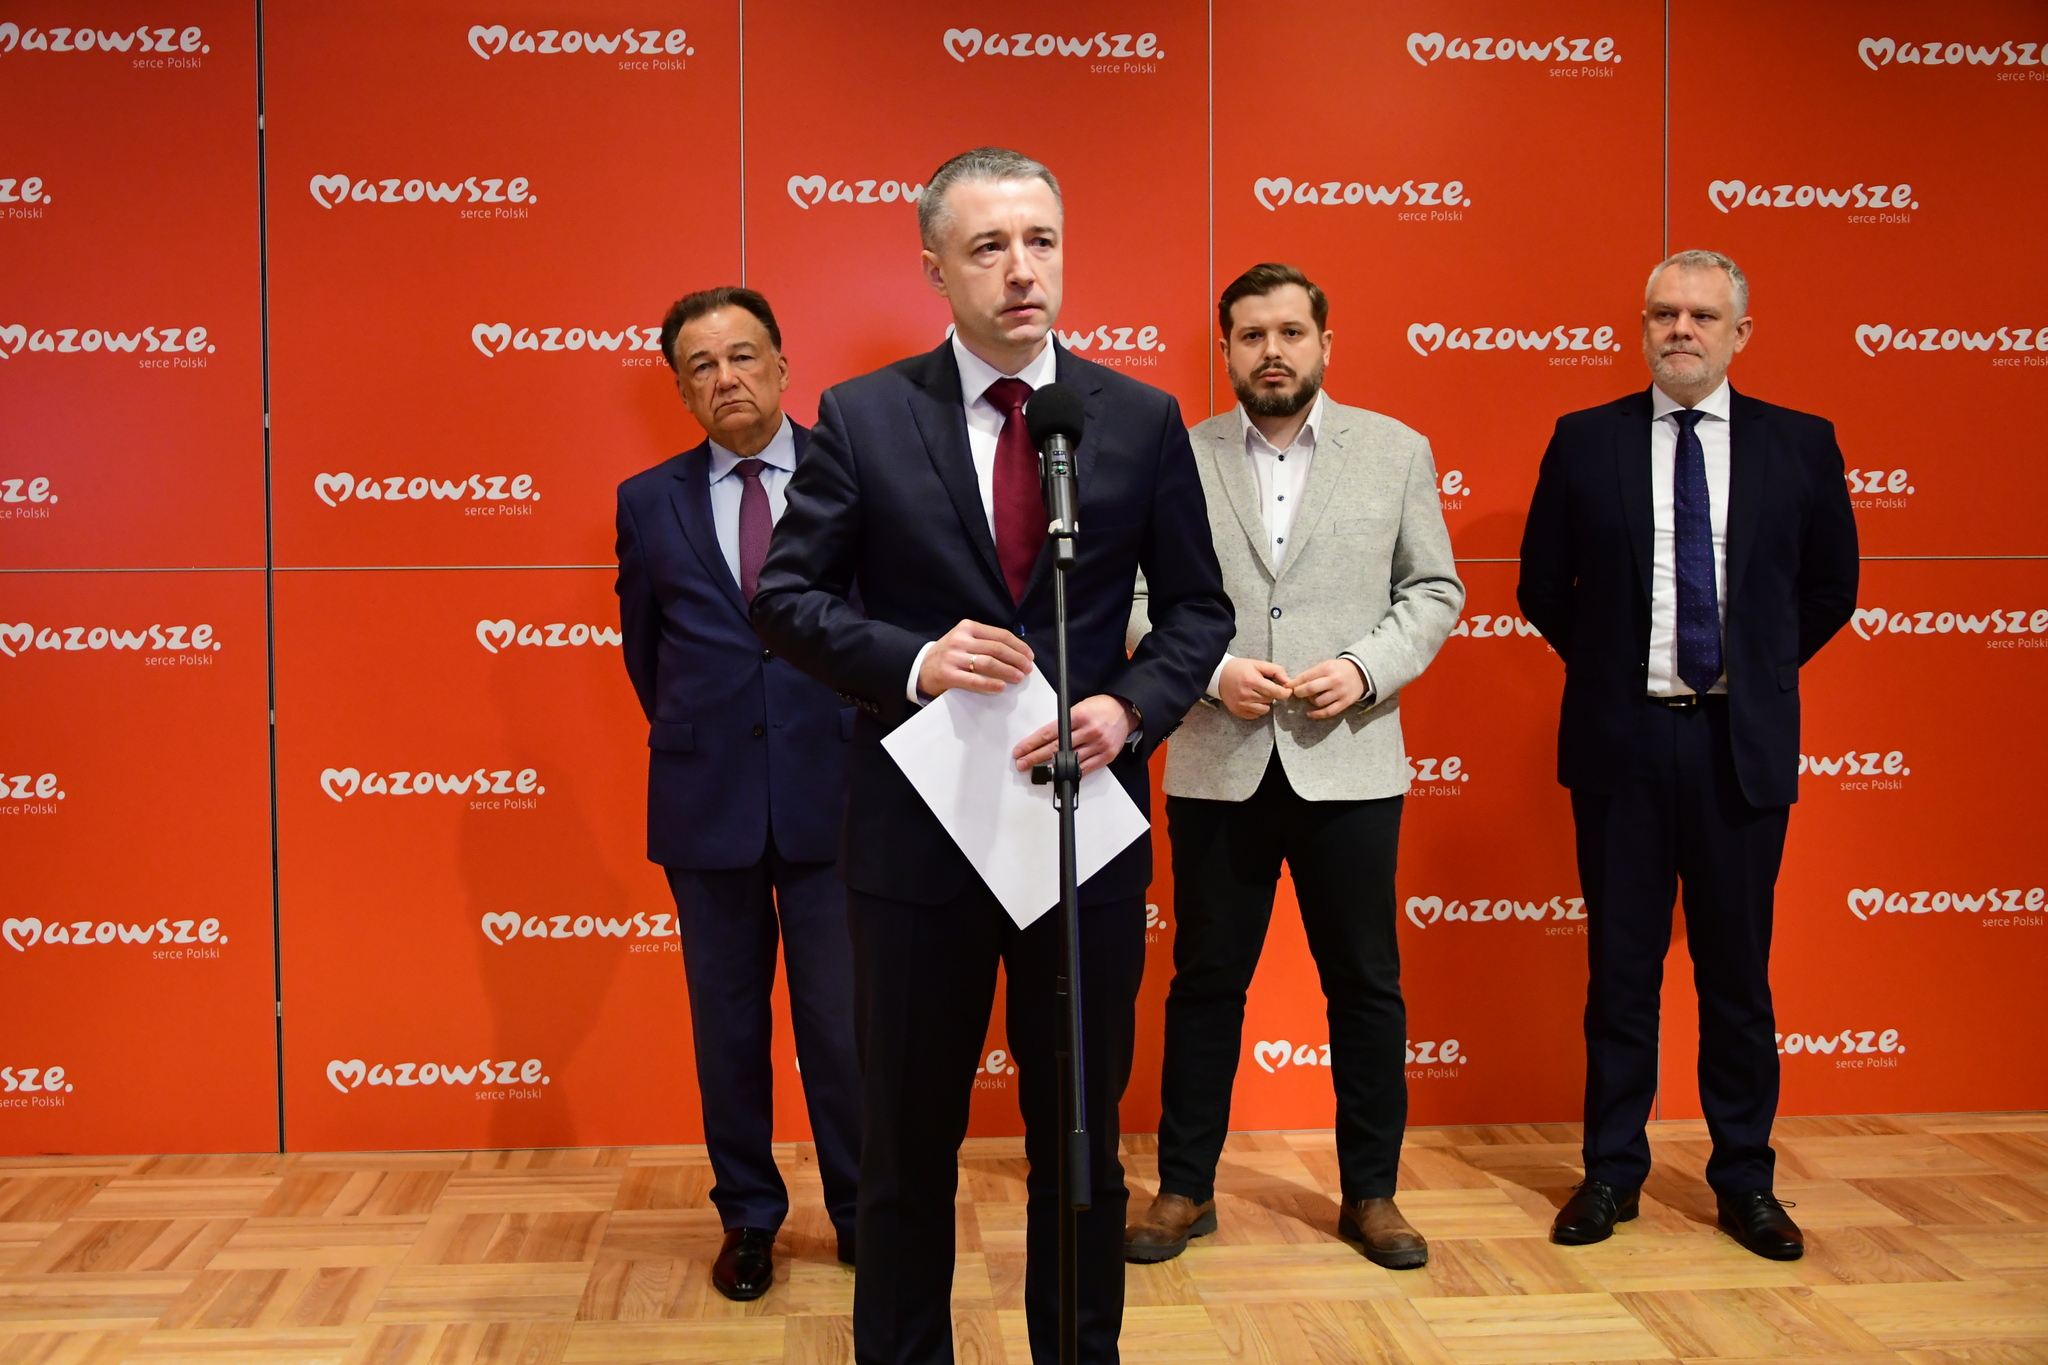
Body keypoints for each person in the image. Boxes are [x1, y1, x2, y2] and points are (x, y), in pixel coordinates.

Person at [751, 148, 1233, 1365]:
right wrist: (915, 659)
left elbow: (1196, 612)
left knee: (1078, 1145)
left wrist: (1129, 709)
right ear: (933, 269)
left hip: (1081, 840)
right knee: (907, 1148)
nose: (1022, 271)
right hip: (917, 845)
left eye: (1040, 242)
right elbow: (785, 599)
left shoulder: (1135, 418)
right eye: (988, 248)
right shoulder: (864, 416)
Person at [1517, 250, 1858, 1261]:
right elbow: (1542, 585)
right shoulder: (1584, 439)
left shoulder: (1800, 443)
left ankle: (1745, 1179)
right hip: (1621, 745)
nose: (1681, 330)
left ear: (1738, 334)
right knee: (1620, 973)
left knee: (1736, 978)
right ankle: (1609, 1173)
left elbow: (1830, 587)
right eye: (1663, 313)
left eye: (1702, 316)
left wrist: (1752, 667)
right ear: (1641, 328)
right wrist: (1618, 668)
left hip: (1737, 748)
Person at [1122, 264, 1464, 1270]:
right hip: (1216, 761)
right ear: (1225, 349)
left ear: (1323, 343)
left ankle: (1373, 1195)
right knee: (1203, 984)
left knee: (1365, 987)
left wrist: (1363, 669)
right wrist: (1209, 673)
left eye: (1289, 333)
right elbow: (1133, 600)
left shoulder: (1395, 450)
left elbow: (1433, 589)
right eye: (1250, 336)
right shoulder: (1176, 455)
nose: (1271, 352)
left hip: (1349, 765)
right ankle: (1185, 1188)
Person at [614, 287, 861, 1300]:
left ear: (783, 366)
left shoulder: (852, 476)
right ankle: (749, 1217)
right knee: (727, 1030)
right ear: (681, 390)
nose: (727, 379)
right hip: (704, 799)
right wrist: (707, 732)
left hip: (837, 796)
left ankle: (861, 1213)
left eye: (744, 356)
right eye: (702, 366)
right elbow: (646, 652)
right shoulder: (646, 500)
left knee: (843, 1029)